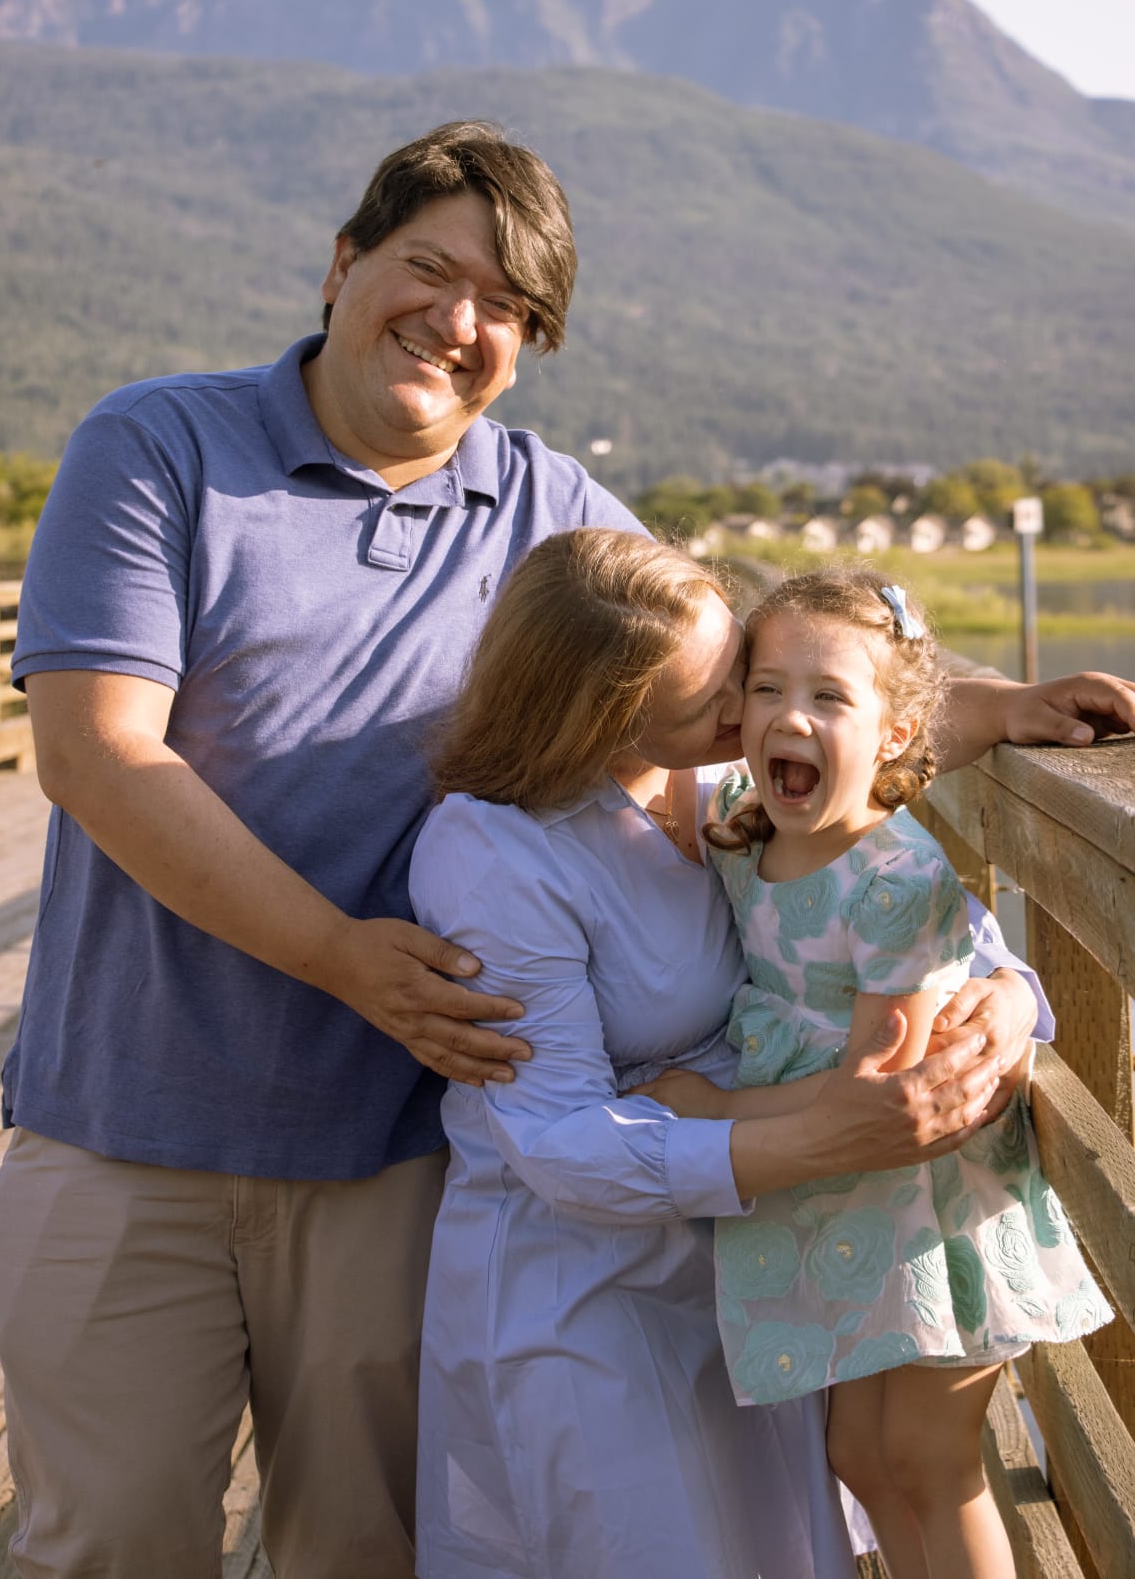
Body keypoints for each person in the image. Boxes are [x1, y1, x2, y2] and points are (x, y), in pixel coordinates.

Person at [0, 117, 1131, 1579]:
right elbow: (92, 752)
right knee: (111, 1544)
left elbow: (757, 669)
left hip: (390, 1154)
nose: (461, 323)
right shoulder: (160, 446)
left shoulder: (544, 506)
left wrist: (998, 706)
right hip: (135, 1122)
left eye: (510, 309)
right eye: (429, 268)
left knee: (359, 1551)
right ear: (340, 262)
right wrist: (343, 958)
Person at [406, 527, 1115, 1579]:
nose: (749, 715)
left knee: (828, 1515)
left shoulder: (726, 799)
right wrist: (768, 1124)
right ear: (604, 717)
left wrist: (1011, 994)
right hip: (596, 1287)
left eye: (737, 675)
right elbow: (557, 1143)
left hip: (758, 1259)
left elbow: (885, 866)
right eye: (721, 702)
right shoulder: (501, 854)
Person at [639, 568, 1111, 1579]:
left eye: (828, 697)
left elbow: (877, 1082)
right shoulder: (744, 828)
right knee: (859, 1454)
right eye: (765, 689)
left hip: (926, 1192)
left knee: (930, 1462)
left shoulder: (893, 878)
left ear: (895, 737)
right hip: (835, 1188)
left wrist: (721, 1112)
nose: (788, 717)